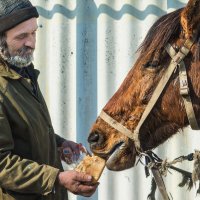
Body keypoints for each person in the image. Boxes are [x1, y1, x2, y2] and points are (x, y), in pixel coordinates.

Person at [0, 0, 98, 199]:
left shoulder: (21, 70)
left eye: (34, 33)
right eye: (21, 36)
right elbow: (2, 164)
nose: (32, 43)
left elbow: (25, 132)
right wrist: (57, 179)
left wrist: (59, 143)